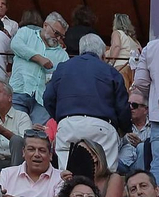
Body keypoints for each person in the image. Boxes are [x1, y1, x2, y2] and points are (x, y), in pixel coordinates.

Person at [45, 33, 130, 171]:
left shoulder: (63, 68)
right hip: (102, 126)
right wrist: (124, 129)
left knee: (66, 175)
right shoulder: (110, 71)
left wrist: (61, 117)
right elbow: (122, 106)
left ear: (81, 51)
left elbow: (48, 98)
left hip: (68, 124)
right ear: (103, 55)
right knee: (105, 174)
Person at [0, 130, 66, 197]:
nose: (37, 154)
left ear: (50, 155)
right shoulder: (7, 173)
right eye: (31, 149)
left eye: (42, 150)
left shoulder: (60, 177)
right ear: (23, 152)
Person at [10, 12, 68, 123]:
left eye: (61, 36)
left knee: (37, 136)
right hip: (19, 90)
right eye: (56, 33)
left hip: (42, 100)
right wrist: (39, 58)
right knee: (15, 131)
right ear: (45, 25)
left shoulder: (63, 55)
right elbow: (15, 45)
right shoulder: (26, 32)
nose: (58, 38)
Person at [0, 79, 33, 171]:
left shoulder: (22, 116)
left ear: (10, 97)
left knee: (17, 140)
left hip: (17, 161)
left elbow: (26, 144)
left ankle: (15, 176)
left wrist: (3, 131)